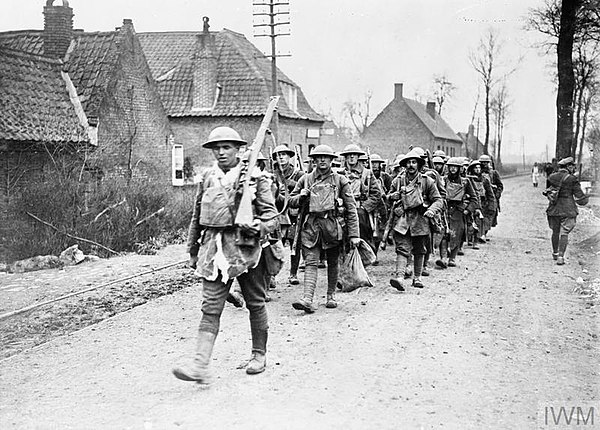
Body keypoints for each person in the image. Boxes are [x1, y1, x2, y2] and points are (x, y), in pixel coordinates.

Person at [172, 126, 279, 383]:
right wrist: (192, 249)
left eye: (227, 147)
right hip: (213, 251)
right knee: (210, 308)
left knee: (255, 302)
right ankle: (200, 366)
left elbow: (272, 218)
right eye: (216, 148)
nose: (221, 153)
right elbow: (196, 217)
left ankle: (258, 355)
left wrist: (259, 226)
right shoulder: (208, 177)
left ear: (238, 149)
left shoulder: (255, 177)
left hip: (246, 250)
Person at [289, 144, 360, 312]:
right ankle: (307, 299)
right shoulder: (305, 179)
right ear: (313, 160)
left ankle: (331, 295)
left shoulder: (340, 180)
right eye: (318, 157)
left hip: (332, 227)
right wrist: (301, 197)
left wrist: (354, 234)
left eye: (325, 157)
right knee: (311, 261)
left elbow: (351, 208)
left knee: (333, 261)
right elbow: (290, 200)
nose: (322, 160)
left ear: (330, 160)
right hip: (311, 227)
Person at [387, 149, 443, 290]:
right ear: (404, 165)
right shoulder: (398, 181)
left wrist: (431, 210)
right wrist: (392, 197)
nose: (411, 165)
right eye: (408, 163)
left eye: (414, 162)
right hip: (403, 219)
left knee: (420, 249)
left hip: (421, 219)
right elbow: (387, 198)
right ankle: (399, 277)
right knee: (402, 249)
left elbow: (438, 200)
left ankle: (417, 278)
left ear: (418, 164)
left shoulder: (427, 181)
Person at [271, 144, 305, 286]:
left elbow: (303, 191)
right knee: (273, 244)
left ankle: (293, 273)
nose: (281, 158)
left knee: (294, 243)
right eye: (278, 155)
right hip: (276, 213)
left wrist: (291, 185)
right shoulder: (272, 174)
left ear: (289, 157)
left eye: (284, 155)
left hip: (293, 213)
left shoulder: (298, 174)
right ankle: (271, 276)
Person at [546, 157, 589, 265]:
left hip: (553, 209)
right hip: (568, 209)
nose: (573, 168)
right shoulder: (572, 179)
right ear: (568, 166)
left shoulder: (551, 177)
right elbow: (580, 197)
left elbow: (548, 192)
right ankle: (561, 257)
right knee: (564, 232)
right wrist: (585, 198)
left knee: (555, 231)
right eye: (572, 166)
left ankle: (555, 253)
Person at [340, 144, 382, 253]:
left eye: (354, 155)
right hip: (342, 210)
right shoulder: (339, 174)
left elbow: (376, 194)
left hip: (360, 211)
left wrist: (364, 207)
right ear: (345, 157)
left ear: (358, 157)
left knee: (361, 238)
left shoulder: (366, 173)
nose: (352, 157)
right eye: (349, 155)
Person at [436, 157, 478, 268]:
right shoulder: (443, 180)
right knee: (443, 233)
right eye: (451, 167)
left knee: (457, 234)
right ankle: (443, 257)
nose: (453, 169)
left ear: (459, 169)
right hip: (444, 210)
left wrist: (467, 210)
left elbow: (474, 199)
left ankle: (452, 258)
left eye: (455, 167)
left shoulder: (465, 182)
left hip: (458, 212)